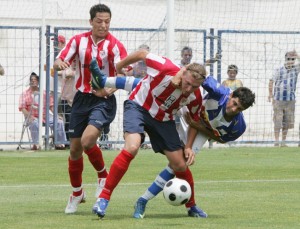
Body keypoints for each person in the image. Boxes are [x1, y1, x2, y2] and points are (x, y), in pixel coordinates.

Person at [90, 62, 256, 219]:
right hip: (186, 111)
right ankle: (104, 80)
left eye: (239, 109)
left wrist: (193, 139)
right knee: (151, 85)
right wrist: (179, 73)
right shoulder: (217, 90)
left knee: (178, 164)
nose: (233, 109)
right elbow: (194, 74)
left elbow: (219, 139)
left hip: (201, 130)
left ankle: (145, 200)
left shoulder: (238, 127)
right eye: (233, 103)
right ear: (231, 95)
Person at [90, 48, 207, 219]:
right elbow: (142, 54)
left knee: (180, 165)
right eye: (187, 83)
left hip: (163, 120)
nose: (189, 89)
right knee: (132, 147)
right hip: (138, 106)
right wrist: (120, 65)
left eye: (194, 86)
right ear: (184, 73)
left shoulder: (195, 96)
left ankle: (192, 206)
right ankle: (103, 198)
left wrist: (188, 146)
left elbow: (195, 121)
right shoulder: (166, 67)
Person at [53, 3, 128, 214]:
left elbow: (123, 75)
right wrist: (58, 64)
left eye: (107, 21)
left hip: (103, 100)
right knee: (75, 149)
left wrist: (107, 91)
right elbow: (61, 59)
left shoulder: (115, 46)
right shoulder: (78, 41)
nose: (104, 25)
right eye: (99, 21)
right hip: (81, 99)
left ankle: (103, 175)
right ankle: (77, 193)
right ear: (91, 22)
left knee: (88, 141)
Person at [18, 72, 66, 150]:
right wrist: (29, 116)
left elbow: (51, 106)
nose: (33, 81)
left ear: (38, 82)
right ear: (29, 82)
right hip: (32, 116)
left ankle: (59, 143)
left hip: (45, 116)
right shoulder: (24, 94)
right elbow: (22, 108)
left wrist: (56, 115)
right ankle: (36, 144)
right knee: (34, 123)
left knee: (59, 122)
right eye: (32, 80)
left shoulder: (45, 93)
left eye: (35, 79)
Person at [268, 50, 300, 147]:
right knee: (278, 121)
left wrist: (297, 55)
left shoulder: (296, 69)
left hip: (290, 100)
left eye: (292, 59)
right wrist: (270, 94)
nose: (290, 61)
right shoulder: (279, 69)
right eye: (288, 59)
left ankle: (283, 141)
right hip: (278, 99)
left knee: (287, 121)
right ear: (285, 59)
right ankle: (276, 141)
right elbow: (271, 81)